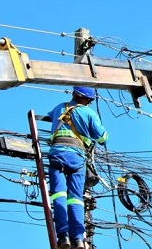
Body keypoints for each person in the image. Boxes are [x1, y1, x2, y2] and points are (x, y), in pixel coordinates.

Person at [47, 86, 108, 249]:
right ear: (87, 100)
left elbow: (49, 116)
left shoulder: (60, 107)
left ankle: (63, 237)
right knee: (75, 198)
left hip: (57, 155)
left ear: (73, 94)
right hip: (77, 158)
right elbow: (102, 137)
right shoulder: (89, 113)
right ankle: (79, 240)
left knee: (58, 195)